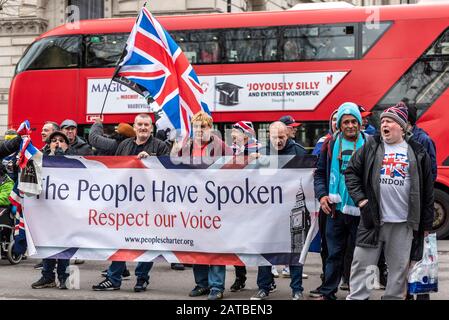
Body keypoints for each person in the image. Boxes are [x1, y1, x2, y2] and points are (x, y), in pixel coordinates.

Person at [345, 103, 434, 300]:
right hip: (372, 221)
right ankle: (359, 298)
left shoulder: (418, 152)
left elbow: (428, 191)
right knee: (364, 268)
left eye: (389, 121)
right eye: (382, 121)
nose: (384, 124)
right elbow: (351, 172)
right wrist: (361, 201)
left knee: (398, 271)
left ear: (401, 126)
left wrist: (426, 224)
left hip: (403, 223)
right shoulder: (371, 146)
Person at [92, 114, 169, 292]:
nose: (143, 127)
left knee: (147, 241)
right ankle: (113, 278)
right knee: (120, 240)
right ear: (134, 127)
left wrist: (151, 161)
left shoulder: (161, 146)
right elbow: (115, 171)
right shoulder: (124, 145)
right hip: (126, 203)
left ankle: (142, 279)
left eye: (146, 125)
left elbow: (168, 173)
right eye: (140, 124)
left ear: (152, 128)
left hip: (151, 204)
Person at [313, 102, 367, 300]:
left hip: (361, 211)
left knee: (359, 257)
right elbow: (319, 174)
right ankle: (328, 293)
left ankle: (360, 294)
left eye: (354, 121)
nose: (350, 125)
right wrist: (322, 195)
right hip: (335, 210)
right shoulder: (329, 144)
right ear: (339, 125)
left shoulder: (370, 144)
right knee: (333, 254)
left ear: (360, 123)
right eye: (346, 122)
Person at [251, 121, 306, 301]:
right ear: (269, 137)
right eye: (274, 137)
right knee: (265, 249)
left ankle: (297, 289)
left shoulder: (299, 152)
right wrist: (252, 163)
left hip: (293, 209)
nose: (278, 141)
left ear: (288, 135)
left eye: (281, 137)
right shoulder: (263, 153)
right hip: (267, 211)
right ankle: (263, 287)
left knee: (295, 250)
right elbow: (251, 180)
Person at [180, 111, 232, 300]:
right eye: (196, 127)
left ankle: (216, 287)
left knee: (216, 246)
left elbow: (234, 168)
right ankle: (201, 284)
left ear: (210, 128)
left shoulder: (221, 146)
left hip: (215, 204)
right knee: (197, 245)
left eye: (203, 127)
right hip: (193, 204)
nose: (199, 130)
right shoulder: (186, 147)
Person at [31, 131, 72, 289]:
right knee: (47, 243)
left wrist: (61, 158)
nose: (57, 143)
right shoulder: (41, 160)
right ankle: (47, 276)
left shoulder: (74, 160)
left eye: (61, 141)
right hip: (47, 210)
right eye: (54, 141)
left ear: (67, 145)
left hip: (66, 211)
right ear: (49, 144)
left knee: (63, 245)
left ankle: (63, 277)